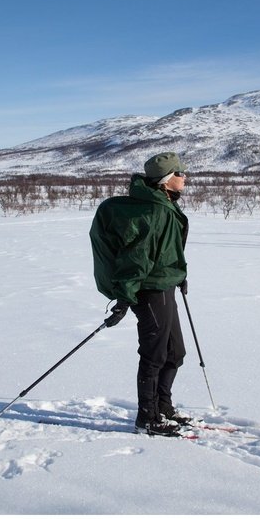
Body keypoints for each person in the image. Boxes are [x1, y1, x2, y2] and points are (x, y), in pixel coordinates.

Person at [89, 152, 191, 436]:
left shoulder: (164, 205)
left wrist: (180, 275)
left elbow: (167, 249)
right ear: (167, 179)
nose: (185, 177)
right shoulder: (154, 211)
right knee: (154, 354)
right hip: (148, 290)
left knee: (175, 352)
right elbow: (137, 259)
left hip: (165, 285)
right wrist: (124, 299)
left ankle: (164, 407)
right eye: (180, 172)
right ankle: (147, 416)